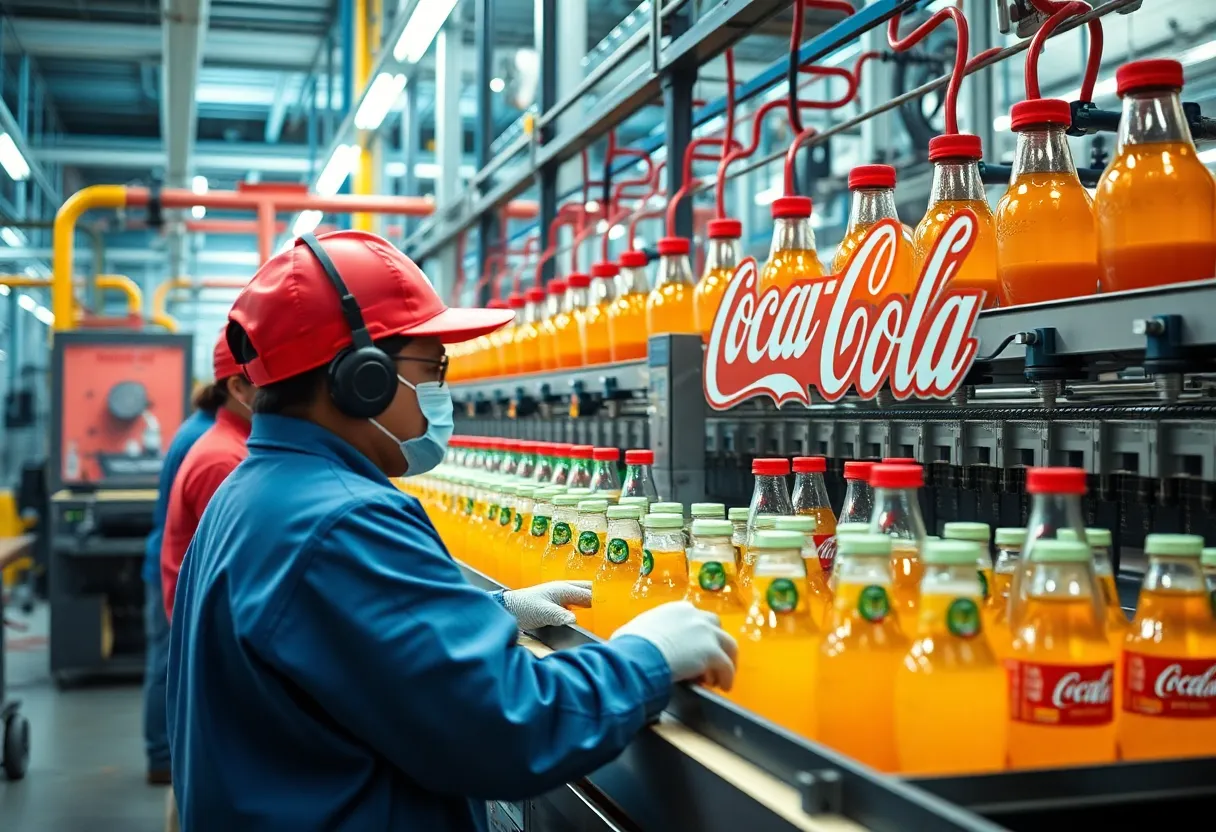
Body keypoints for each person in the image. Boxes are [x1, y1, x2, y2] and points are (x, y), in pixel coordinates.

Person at [166, 230, 736, 830]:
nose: (442, 391)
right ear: (362, 378)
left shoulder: (255, 489)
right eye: (433, 367)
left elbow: (336, 650)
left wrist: (480, 613)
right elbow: (507, 728)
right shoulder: (344, 518)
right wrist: (646, 657)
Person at [141, 374, 217, 785]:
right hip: (172, 567)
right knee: (166, 664)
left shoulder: (196, 429)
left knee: (163, 662)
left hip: (166, 561)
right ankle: (160, 757)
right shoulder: (209, 444)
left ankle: (160, 754)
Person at [160, 330, 255, 620]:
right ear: (238, 388)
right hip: (201, 617)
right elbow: (237, 572)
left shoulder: (233, 445)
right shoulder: (223, 460)